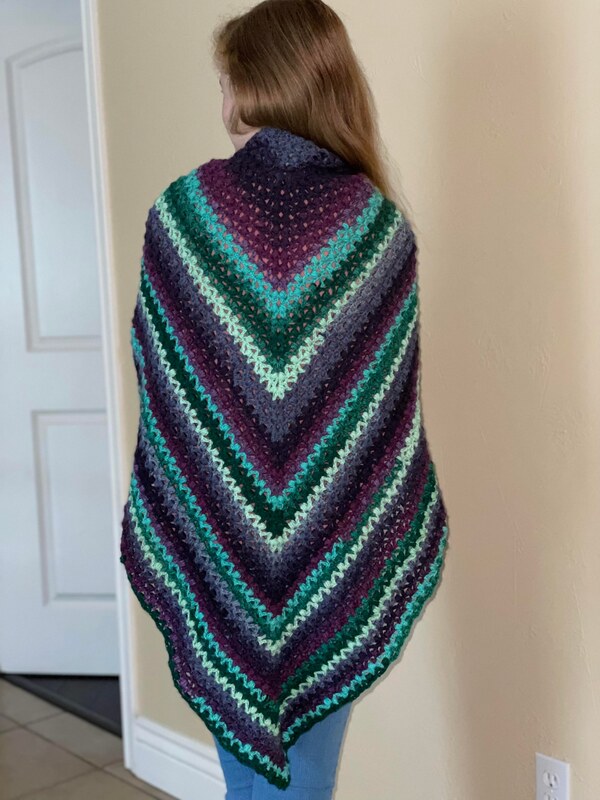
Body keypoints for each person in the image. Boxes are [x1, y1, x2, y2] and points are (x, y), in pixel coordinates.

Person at [119, 0, 450, 798]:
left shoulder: (183, 216)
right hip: (334, 575)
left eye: (224, 80)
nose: (221, 99)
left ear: (249, 86)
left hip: (222, 561)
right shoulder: (379, 229)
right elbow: (385, 426)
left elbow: (160, 383)